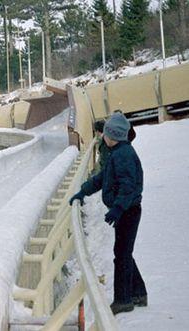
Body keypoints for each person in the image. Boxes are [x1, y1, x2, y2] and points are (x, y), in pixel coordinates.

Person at [70, 112, 147, 315]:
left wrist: (117, 209)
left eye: (105, 134)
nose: (102, 136)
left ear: (111, 136)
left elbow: (128, 187)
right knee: (123, 252)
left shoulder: (123, 155)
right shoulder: (117, 153)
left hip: (128, 211)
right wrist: (83, 191)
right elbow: (102, 178)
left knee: (121, 254)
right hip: (125, 210)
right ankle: (138, 293)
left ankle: (124, 300)